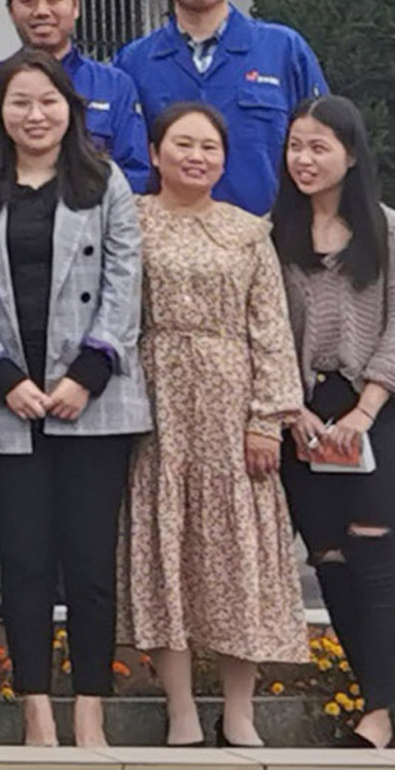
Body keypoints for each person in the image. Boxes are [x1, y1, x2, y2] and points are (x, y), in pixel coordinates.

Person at [0, 52, 149, 750]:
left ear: (71, 108)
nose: (35, 115)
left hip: (91, 398)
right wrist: (1, 375)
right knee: (25, 562)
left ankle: (89, 708)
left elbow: (124, 281)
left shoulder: (105, 181)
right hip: (8, 399)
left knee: (90, 564)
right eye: (19, 103)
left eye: (48, 101)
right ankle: (35, 709)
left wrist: (87, 373)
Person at [121, 100, 304, 747]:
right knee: (164, 548)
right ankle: (179, 709)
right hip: (156, 403)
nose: (196, 157)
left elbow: (271, 331)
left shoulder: (247, 231)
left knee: (236, 552)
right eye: (183, 144)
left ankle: (239, 710)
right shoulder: (130, 219)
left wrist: (267, 419)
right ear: (154, 153)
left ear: (224, 161)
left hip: (232, 405)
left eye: (209, 148)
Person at [273, 97, 395, 750]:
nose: (304, 159)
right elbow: (265, 332)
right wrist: (291, 409)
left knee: (376, 559)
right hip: (302, 417)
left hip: (378, 413)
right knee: (331, 560)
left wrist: (366, 409)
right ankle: (380, 701)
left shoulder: (392, 232)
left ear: (350, 154)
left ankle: (379, 710)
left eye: (318, 147)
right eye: (295, 146)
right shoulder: (273, 234)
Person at [118, 0, 328, 215]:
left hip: (271, 230)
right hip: (167, 234)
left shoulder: (283, 49)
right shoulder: (134, 61)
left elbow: (323, 142)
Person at [0, 0, 152, 194]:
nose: (41, 11)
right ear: (11, 11)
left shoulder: (114, 84)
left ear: (76, 5)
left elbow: (134, 172)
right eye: (27, 1)